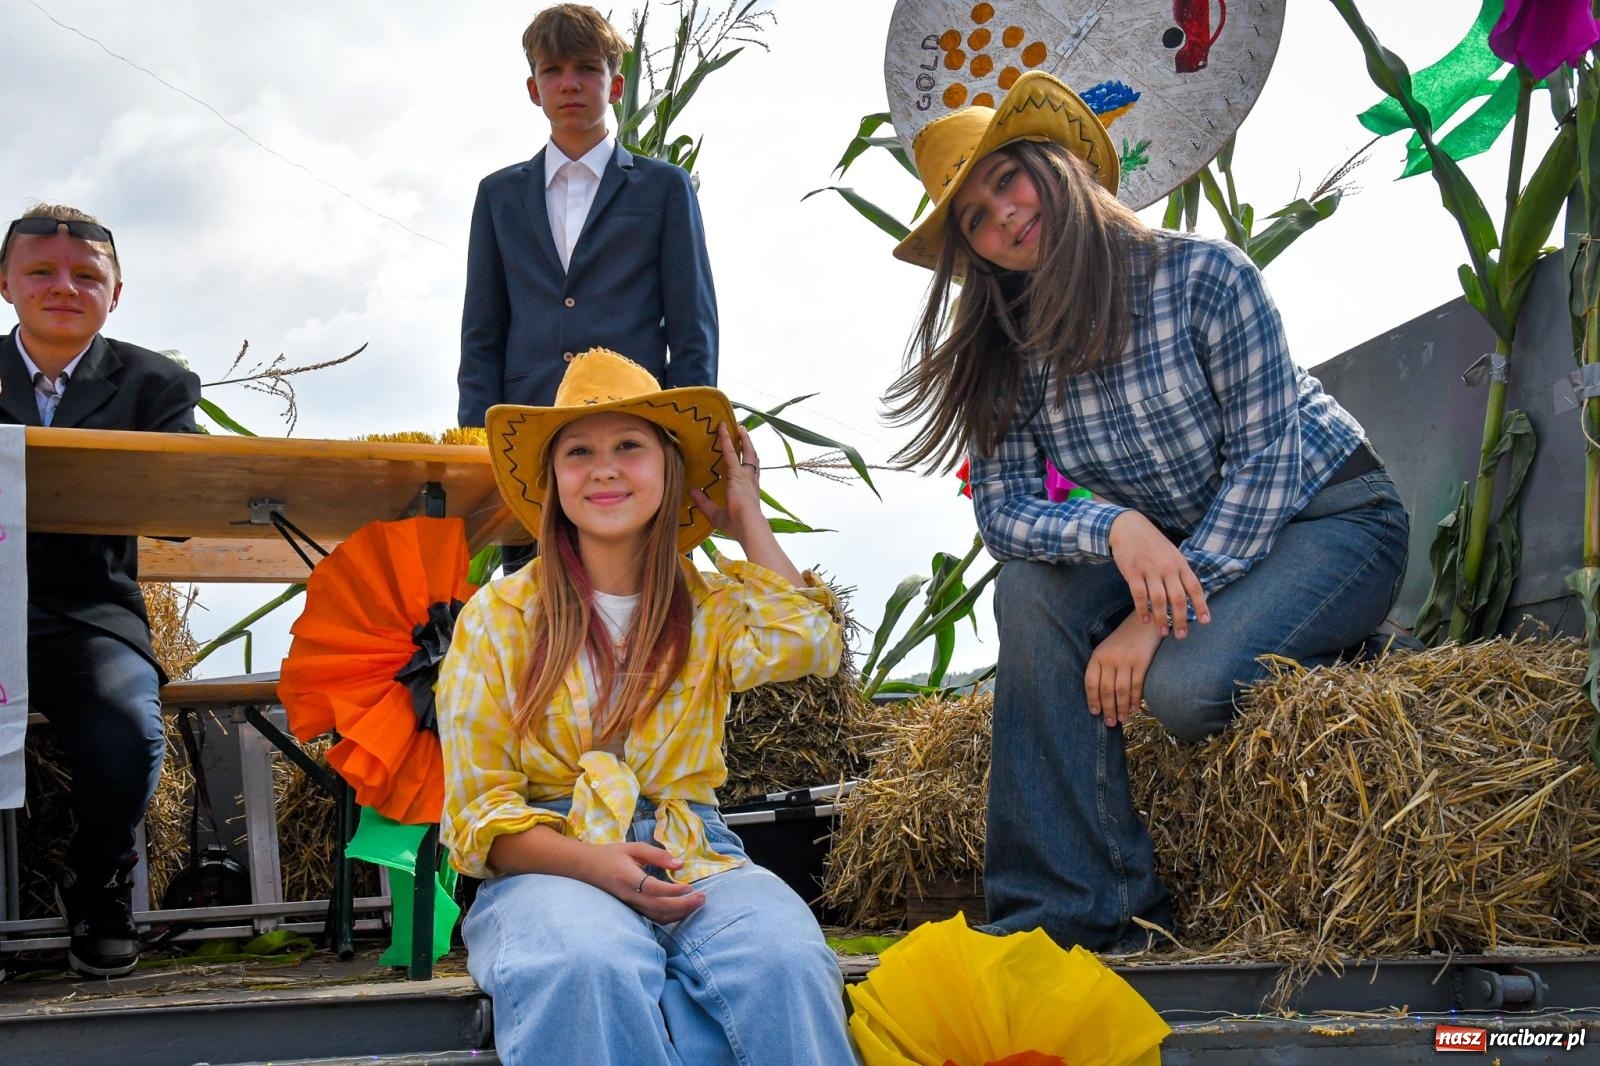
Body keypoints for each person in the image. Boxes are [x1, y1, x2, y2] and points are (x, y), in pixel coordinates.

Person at [883, 72, 1410, 953]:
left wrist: (1147, 626)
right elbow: (1007, 515)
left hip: (1324, 518)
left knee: (1185, 688)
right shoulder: (1007, 357)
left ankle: (1350, 647)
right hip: (1170, 549)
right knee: (1029, 592)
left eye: (1006, 181)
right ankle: (1076, 911)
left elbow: (1267, 465)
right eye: (974, 218)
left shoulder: (1202, 275)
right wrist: (1114, 528)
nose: (1005, 219)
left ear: (1052, 165)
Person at [436, 349, 854, 1065]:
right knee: (583, 964)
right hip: (550, 863)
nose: (604, 468)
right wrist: (600, 867)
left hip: (697, 852)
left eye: (629, 446)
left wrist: (745, 516)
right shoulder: (500, 614)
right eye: (579, 452)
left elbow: (812, 641)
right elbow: (479, 815)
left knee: (784, 960)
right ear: (553, 481)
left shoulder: (708, 602)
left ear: (670, 471)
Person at [0, 203, 201, 976]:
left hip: (88, 612)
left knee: (125, 731)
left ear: (115, 293)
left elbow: (185, 506)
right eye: (42, 271)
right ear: (7, 284)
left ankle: (100, 885)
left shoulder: (157, 382)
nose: (64, 287)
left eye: (87, 275)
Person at [457, 3, 718, 428]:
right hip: (526, 419)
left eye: (587, 69)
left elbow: (693, 326)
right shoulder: (498, 195)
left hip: (634, 417)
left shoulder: (665, 188)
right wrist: (475, 433)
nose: (570, 84)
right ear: (533, 89)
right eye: (553, 70)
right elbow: (482, 331)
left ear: (615, 86)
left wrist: (689, 429)